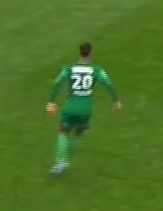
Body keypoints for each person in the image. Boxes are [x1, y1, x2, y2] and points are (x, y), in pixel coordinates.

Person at [46, 42, 120, 176]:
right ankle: (66, 161)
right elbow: (108, 83)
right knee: (78, 134)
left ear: (79, 53)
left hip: (71, 106)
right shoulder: (97, 70)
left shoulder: (68, 69)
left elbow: (57, 83)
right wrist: (115, 101)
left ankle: (60, 162)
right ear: (91, 53)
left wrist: (52, 101)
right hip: (86, 108)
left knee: (63, 132)